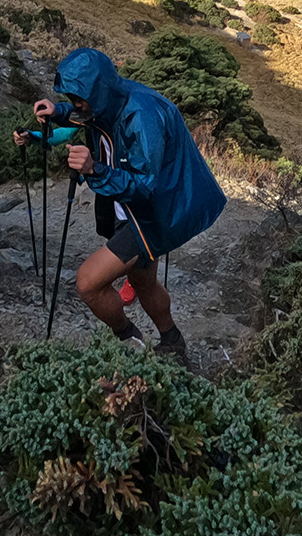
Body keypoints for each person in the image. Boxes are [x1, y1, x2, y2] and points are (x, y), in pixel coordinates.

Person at [17, 47, 225, 366]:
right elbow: (84, 116)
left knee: (88, 282)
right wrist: (57, 112)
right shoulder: (107, 100)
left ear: (95, 92)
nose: (75, 105)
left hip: (150, 215)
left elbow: (146, 186)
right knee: (143, 282)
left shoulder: (143, 116)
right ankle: (173, 342)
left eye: (77, 98)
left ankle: (130, 340)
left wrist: (94, 170)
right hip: (128, 210)